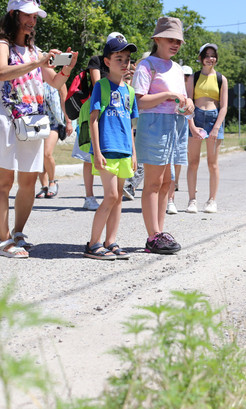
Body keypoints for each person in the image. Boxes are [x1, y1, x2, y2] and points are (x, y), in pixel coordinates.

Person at [0, 0, 77, 258]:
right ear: (13, 14)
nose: (32, 21)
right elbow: (1, 72)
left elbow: (55, 83)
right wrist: (38, 62)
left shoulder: (37, 51)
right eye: (28, 15)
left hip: (32, 122)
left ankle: (18, 233)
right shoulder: (3, 45)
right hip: (6, 119)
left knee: (29, 180)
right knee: (4, 182)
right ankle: (3, 240)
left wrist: (66, 68)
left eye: (35, 17)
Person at [132, 16, 193, 254]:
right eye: (171, 39)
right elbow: (139, 101)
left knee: (168, 182)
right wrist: (167, 95)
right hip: (154, 125)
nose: (176, 44)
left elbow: (182, 100)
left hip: (175, 125)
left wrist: (188, 106)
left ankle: (160, 232)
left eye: (179, 40)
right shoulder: (147, 65)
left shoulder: (177, 68)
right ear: (157, 39)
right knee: (154, 182)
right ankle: (152, 235)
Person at [84, 36, 138, 260]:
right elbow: (93, 120)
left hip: (124, 151)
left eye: (127, 59)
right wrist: (96, 152)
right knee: (111, 196)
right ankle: (93, 243)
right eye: (119, 58)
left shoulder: (130, 91)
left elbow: (130, 123)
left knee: (118, 199)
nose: (125, 63)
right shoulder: (101, 86)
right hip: (106, 150)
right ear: (107, 61)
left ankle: (111, 241)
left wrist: (134, 153)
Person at [72, 31, 125, 210]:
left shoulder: (122, 65)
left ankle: (111, 195)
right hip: (93, 109)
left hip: (113, 113)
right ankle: (89, 196)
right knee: (89, 155)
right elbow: (97, 84)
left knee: (109, 153)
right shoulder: (96, 60)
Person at [185, 42, 228, 214]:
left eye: (213, 56)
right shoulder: (193, 78)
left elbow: (224, 106)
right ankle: (192, 200)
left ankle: (212, 200)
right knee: (193, 162)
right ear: (201, 58)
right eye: (207, 55)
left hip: (213, 119)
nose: (211, 58)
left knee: (213, 164)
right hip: (196, 118)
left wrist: (217, 127)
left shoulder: (221, 79)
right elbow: (187, 104)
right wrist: (192, 125)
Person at [35, 82, 72, 198]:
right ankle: (44, 186)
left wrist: (68, 121)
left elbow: (64, 101)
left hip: (54, 122)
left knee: (47, 153)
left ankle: (52, 181)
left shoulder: (57, 81)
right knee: (39, 156)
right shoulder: (33, 80)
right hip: (36, 124)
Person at [165, 64, 193, 215]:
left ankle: (171, 198)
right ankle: (169, 200)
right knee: (169, 168)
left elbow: (189, 114)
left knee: (177, 163)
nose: (186, 79)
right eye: (184, 76)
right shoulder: (171, 87)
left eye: (188, 76)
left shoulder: (187, 92)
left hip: (181, 130)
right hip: (167, 128)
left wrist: (193, 128)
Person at [122, 52, 149, 201]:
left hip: (144, 125)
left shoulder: (153, 81)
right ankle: (126, 184)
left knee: (141, 160)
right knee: (133, 157)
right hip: (130, 124)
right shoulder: (128, 79)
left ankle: (130, 185)